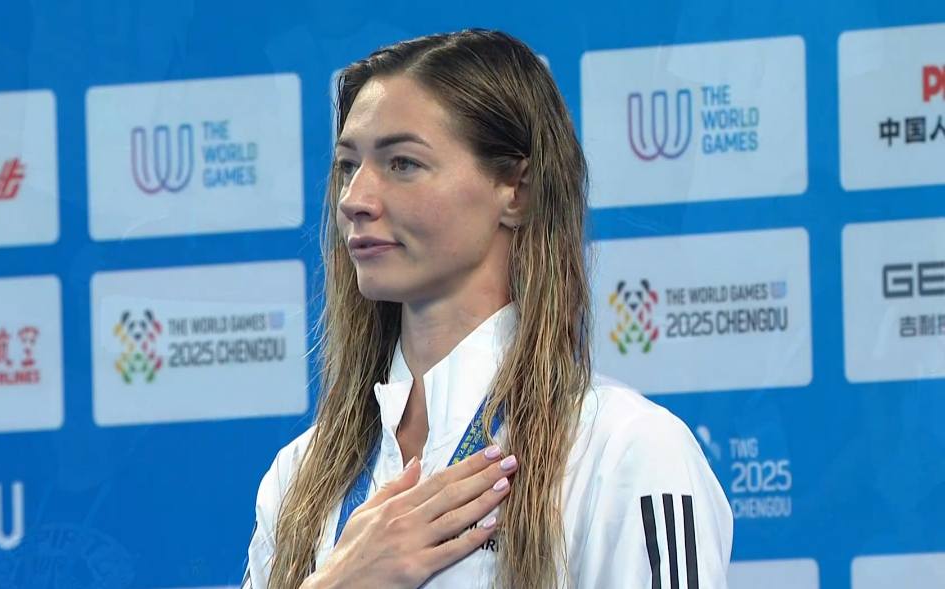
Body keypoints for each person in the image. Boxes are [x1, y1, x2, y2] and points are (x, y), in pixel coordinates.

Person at [243, 29, 732, 589]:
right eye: (348, 166)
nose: (356, 199)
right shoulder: (299, 476)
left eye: (402, 163)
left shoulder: (625, 451)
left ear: (516, 190)